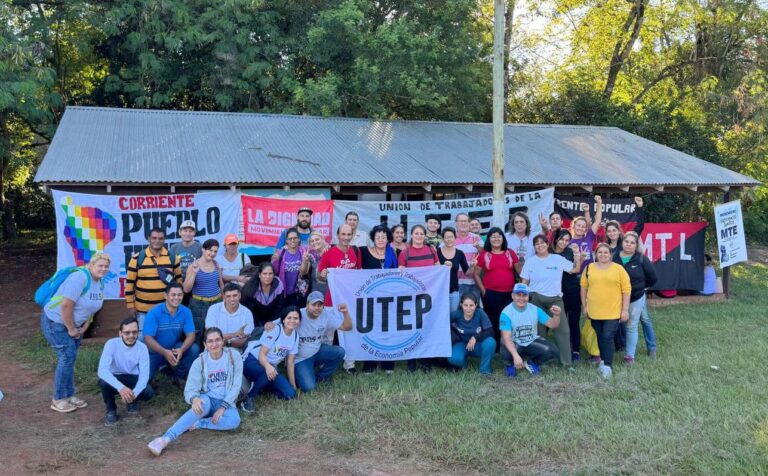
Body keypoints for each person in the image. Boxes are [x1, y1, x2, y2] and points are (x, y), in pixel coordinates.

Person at [147, 327, 243, 456]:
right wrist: (195, 399)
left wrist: (223, 407)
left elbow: (236, 385)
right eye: (210, 341)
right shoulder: (200, 362)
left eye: (217, 340)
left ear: (222, 341)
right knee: (200, 405)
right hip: (207, 399)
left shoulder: (233, 356)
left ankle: (200, 423)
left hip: (226, 401)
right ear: (204, 344)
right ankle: (165, 439)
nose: (214, 344)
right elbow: (190, 390)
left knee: (234, 421)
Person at [41, 253, 109, 413]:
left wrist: (84, 327)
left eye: (106, 266)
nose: (103, 269)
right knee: (66, 357)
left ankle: (68, 395)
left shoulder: (99, 282)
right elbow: (66, 306)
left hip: (76, 326)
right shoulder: (79, 278)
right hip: (56, 322)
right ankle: (58, 399)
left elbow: (92, 307)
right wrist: (71, 329)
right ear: (91, 265)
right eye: (100, 265)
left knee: (70, 358)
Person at [520, 234, 582, 366]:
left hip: (555, 299)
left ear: (547, 244)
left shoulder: (557, 259)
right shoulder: (530, 261)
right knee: (539, 331)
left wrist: (577, 255)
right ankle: (541, 360)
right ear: (534, 247)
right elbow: (524, 282)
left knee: (563, 330)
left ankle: (566, 363)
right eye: (537, 244)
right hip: (535, 298)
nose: (540, 245)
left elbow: (576, 269)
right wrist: (523, 300)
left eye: (542, 243)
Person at [580, 243, 631, 379]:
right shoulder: (589, 268)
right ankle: (603, 360)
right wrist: (584, 306)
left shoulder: (618, 269)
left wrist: (625, 310)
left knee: (608, 336)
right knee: (601, 335)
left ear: (610, 254)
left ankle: (608, 366)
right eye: (600, 252)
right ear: (596, 254)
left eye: (606, 252)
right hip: (594, 310)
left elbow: (626, 289)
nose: (603, 255)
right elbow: (583, 287)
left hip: (613, 311)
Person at [240, 307, 300, 412]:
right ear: (283, 320)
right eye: (289, 318)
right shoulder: (275, 330)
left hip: (270, 368)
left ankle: (260, 384)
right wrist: (268, 367)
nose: (292, 321)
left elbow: (290, 363)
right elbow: (261, 355)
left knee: (290, 395)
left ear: (299, 321)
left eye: (296, 318)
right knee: (267, 373)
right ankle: (248, 398)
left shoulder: (295, 336)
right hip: (252, 360)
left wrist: (293, 387)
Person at [97, 317, 154, 425]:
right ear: (120, 333)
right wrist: (121, 388)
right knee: (104, 382)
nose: (131, 336)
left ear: (138, 332)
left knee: (148, 392)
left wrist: (133, 394)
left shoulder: (142, 347)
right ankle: (111, 410)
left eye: (134, 332)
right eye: (127, 333)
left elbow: (144, 376)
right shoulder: (111, 344)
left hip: (132, 378)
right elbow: (102, 371)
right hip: (115, 376)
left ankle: (131, 401)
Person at [125, 227, 182, 333]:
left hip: (166, 309)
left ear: (164, 239)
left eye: (160, 238)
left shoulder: (173, 258)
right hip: (143, 311)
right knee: (143, 338)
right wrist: (130, 306)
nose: (157, 241)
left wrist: (175, 302)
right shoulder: (137, 259)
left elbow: (179, 282)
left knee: (164, 337)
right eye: (154, 238)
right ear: (148, 239)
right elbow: (129, 285)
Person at [500, 283, 562, 377]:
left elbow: (553, 325)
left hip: (531, 341)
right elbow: (506, 338)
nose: (521, 298)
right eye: (518, 295)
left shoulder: (535, 309)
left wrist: (557, 315)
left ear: (528, 296)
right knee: (504, 343)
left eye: (524, 295)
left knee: (552, 350)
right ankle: (510, 365)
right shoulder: (506, 313)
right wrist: (516, 356)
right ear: (512, 295)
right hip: (515, 343)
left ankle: (532, 363)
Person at [614, 231, 658, 363]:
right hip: (618, 298)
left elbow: (653, 278)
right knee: (625, 321)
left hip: (636, 297)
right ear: (622, 243)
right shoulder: (614, 257)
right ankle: (618, 346)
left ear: (636, 245)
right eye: (626, 242)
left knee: (634, 324)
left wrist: (642, 288)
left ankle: (631, 356)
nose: (629, 244)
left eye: (632, 243)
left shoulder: (641, 258)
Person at [360, 225, 398, 373]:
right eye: (377, 237)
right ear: (373, 238)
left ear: (388, 238)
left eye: (383, 237)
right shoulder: (363, 251)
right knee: (371, 331)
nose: (381, 240)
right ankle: (369, 363)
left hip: (389, 299)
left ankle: (388, 363)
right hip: (370, 299)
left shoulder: (393, 253)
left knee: (388, 331)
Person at [294, 292, 353, 389]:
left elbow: (347, 327)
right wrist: (269, 325)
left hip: (317, 351)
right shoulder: (298, 314)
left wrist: (345, 313)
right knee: (309, 388)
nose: (317, 308)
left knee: (340, 352)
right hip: (301, 358)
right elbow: (280, 323)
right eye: (314, 304)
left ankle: (322, 377)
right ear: (307, 304)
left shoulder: (326, 314)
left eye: (320, 305)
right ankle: (302, 374)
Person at [143, 283, 199, 383]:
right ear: (166, 295)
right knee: (144, 382)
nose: (176, 298)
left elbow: (191, 335)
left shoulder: (186, 311)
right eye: (173, 295)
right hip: (155, 351)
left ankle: (178, 375)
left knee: (194, 349)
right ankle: (163, 367)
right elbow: (148, 338)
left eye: (180, 295)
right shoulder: (154, 312)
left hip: (174, 349)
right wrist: (164, 352)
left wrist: (181, 350)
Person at [474, 227, 520, 348]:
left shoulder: (510, 252)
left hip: (509, 294)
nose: (496, 239)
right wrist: (483, 291)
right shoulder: (485, 254)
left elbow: (520, 272)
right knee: (493, 320)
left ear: (503, 239)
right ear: (489, 239)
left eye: (499, 236)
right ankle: (495, 348)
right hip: (491, 294)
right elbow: (476, 273)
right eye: (493, 236)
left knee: (508, 320)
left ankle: (508, 345)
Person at [551, 229, 586, 362]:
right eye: (561, 239)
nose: (564, 243)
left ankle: (575, 349)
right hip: (555, 292)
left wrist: (579, 257)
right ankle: (561, 348)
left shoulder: (570, 251)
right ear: (555, 239)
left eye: (567, 240)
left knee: (573, 321)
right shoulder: (549, 253)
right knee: (558, 322)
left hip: (572, 291)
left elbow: (577, 269)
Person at [447, 294, 496, 375]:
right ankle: (464, 364)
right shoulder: (456, 314)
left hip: (477, 345)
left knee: (491, 342)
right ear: (461, 305)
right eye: (465, 305)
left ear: (476, 305)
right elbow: (443, 322)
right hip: (462, 344)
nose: (468, 309)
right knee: (453, 358)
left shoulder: (480, 313)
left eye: (471, 305)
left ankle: (484, 369)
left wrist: (475, 337)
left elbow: (490, 331)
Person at [183, 239, 224, 336]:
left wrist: (224, 301)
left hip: (216, 302)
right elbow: (186, 289)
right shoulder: (193, 265)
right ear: (203, 250)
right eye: (210, 250)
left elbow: (221, 284)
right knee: (198, 334)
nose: (212, 253)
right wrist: (194, 272)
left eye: (215, 251)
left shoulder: (216, 264)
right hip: (199, 305)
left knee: (216, 332)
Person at [318, 224, 361, 306]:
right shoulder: (328, 252)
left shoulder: (356, 250)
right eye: (343, 234)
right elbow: (320, 276)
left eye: (349, 234)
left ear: (352, 235)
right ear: (338, 235)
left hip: (351, 296)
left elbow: (359, 272)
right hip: (333, 297)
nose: (346, 237)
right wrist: (323, 274)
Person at [204, 282, 255, 352]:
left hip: (236, 351)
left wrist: (227, 343)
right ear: (224, 297)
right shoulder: (213, 309)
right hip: (213, 349)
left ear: (240, 295)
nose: (232, 299)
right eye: (228, 296)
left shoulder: (247, 313)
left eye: (235, 295)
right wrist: (234, 335)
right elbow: (210, 334)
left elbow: (247, 340)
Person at [437, 227, 473, 311]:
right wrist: (442, 266)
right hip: (439, 291)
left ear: (455, 238)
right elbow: (432, 269)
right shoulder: (437, 251)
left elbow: (467, 273)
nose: (449, 239)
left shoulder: (459, 253)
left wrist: (472, 266)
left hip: (454, 291)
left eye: (451, 237)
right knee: (440, 316)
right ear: (443, 239)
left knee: (453, 317)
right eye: (446, 237)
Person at [272, 227, 309, 308]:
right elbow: (274, 271)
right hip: (283, 292)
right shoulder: (281, 253)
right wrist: (275, 261)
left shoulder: (304, 251)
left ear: (299, 239)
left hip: (298, 292)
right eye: (290, 238)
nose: (293, 240)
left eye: (295, 238)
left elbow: (316, 248)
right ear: (286, 240)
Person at [451, 213, 484, 304]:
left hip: (474, 282)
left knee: (473, 310)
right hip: (456, 283)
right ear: (456, 223)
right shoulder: (450, 238)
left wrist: (478, 247)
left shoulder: (476, 238)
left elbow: (485, 255)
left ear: (469, 223)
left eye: (465, 221)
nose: (463, 223)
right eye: (461, 221)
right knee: (457, 311)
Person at [170, 220, 202, 305]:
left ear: (194, 233)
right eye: (185, 230)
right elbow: (170, 267)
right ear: (180, 232)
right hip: (178, 284)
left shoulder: (200, 247)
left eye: (191, 231)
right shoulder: (174, 248)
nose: (188, 233)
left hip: (195, 285)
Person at [570, 195, 603, 274]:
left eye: (583, 227)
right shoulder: (568, 242)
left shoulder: (588, 237)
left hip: (589, 275)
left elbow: (598, 220)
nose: (580, 228)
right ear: (573, 226)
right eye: (578, 225)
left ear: (585, 229)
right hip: (574, 276)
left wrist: (599, 203)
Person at [303, 230, 330, 297]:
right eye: (312, 241)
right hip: (316, 293)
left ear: (322, 239)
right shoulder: (310, 255)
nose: (315, 242)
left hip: (331, 292)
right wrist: (305, 261)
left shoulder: (331, 251)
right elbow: (303, 272)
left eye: (317, 239)